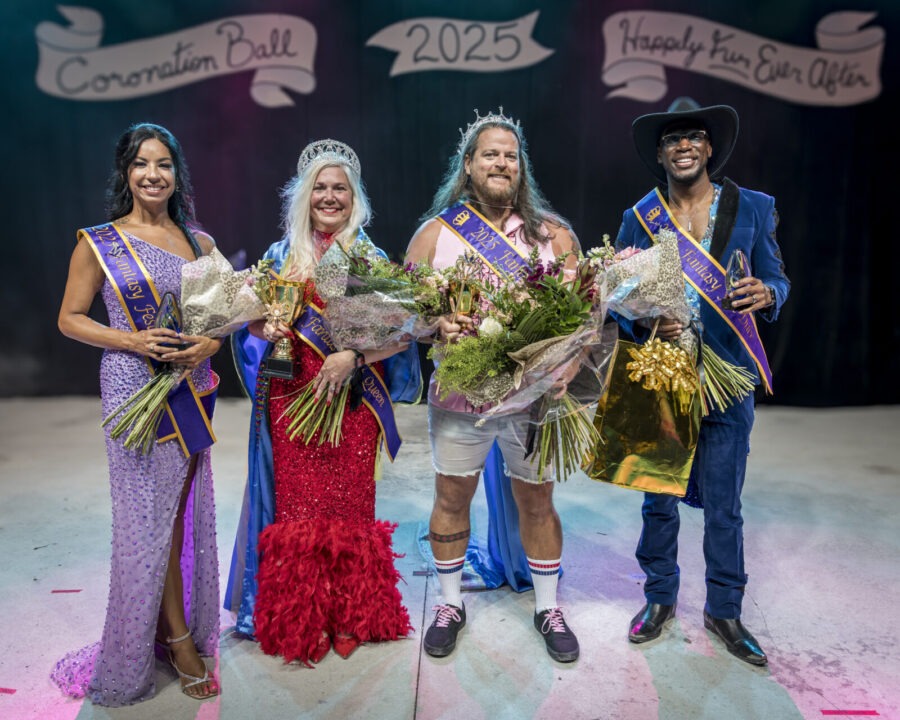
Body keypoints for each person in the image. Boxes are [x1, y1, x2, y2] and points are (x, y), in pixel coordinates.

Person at [225, 139, 421, 665]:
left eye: (340, 188)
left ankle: (352, 616)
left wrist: (353, 356)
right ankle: (304, 618)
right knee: (300, 512)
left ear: (354, 198)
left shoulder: (371, 258)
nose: (330, 197)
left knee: (351, 511)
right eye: (321, 187)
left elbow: (402, 336)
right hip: (293, 400)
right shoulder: (278, 257)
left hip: (353, 401)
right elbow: (247, 325)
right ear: (303, 195)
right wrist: (261, 326)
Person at [615, 97, 790, 666]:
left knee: (725, 504)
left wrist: (769, 294)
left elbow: (776, 277)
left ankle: (724, 610)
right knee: (658, 499)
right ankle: (660, 599)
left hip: (728, 374)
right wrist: (641, 316)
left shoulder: (754, 207)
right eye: (672, 139)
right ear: (660, 154)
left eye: (694, 136)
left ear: (710, 147)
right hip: (662, 373)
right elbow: (615, 296)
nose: (684, 146)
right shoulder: (640, 216)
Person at [53, 123, 222, 703]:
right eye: (142, 164)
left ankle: (169, 628)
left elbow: (217, 321)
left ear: (177, 174)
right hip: (133, 390)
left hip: (188, 387)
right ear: (125, 173)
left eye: (164, 164)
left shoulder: (199, 242)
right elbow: (70, 317)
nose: (154, 174)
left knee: (178, 517)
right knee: (144, 524)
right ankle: (175, 640)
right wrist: (131, 341)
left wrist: (210, 345)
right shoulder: (99, 241)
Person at [405, 109, 581, 663]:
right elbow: (404, 314)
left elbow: (585, 318)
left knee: (538, 500)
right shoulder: (435, 234)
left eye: (510, 154)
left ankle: (548, 606)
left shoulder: (554, 235)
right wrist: (434, 323)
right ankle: (450, 603)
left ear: (520, 167)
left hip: (535, 401)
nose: (501, 162)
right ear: (469, 164)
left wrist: (573, 360)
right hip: (461, 396)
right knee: (451, 497)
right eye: (491, 154)